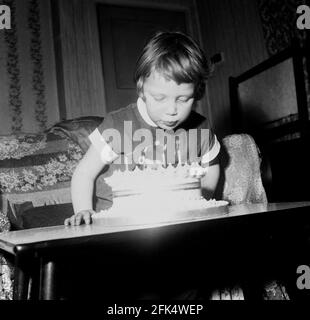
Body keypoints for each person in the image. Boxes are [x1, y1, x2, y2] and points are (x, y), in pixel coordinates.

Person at [64, 31, 221, 227]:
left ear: (197, 92)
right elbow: (85, 172)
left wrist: (201, 200)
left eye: (183, 99)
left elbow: (211, 168)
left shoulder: (202, 128)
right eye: (159, 98)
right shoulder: (117, 125)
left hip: (177, 222)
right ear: (141, 88)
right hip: (116, 225)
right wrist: (83, 210)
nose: (172, 111)